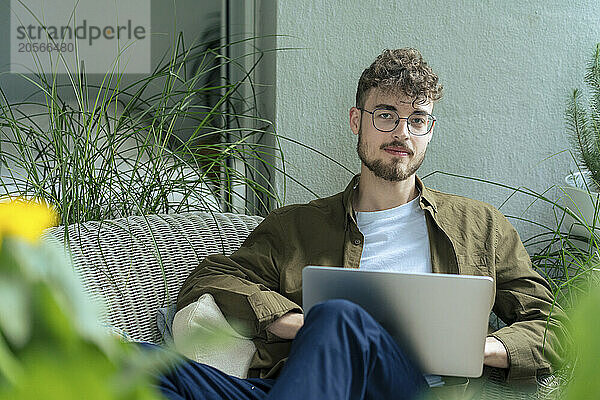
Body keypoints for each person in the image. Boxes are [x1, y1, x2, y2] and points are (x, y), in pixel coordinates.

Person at [150, 48, 566, 400]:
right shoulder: (295, 226)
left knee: (338, 317)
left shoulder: (481, 226)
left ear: (429, 131)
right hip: (304, 384)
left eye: (417, 119)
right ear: (356, 121)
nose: (402, 132)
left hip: (410, 389)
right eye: (386, 114)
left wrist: (483, 348)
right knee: (131, 362)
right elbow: (214, 276)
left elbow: (553, 328)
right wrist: (292, 320)